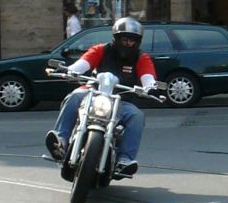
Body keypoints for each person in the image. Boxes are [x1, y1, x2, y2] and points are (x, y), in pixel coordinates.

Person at [44, 17, 161, 178]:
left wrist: (151, 87)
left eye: (132, 40)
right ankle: (61, 141)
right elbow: (81, 65)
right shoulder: (101, 50)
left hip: (121, 100)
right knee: (74, 96)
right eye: (124, 39)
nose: (128, 43)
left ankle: (125, 160)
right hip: (92, 93)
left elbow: (148, 78)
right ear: (116, 38)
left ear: (138, 42)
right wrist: (69, 71)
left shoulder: (141, 58)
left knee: (137, 116)